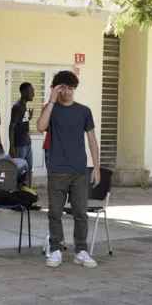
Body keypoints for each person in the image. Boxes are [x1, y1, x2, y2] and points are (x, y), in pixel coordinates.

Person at [36, 70, 101, 269]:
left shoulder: (84, 111)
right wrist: (51, 100)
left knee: (81, 213)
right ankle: (55, 249)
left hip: (79, 171)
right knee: (55, 212)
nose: (66, 91)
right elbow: (40, 126)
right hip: (57, 170)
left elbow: (91, 140)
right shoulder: (51, 109)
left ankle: (81, 250)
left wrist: (96, 168)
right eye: (62, 87)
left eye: (70, 87)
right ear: (56, 88)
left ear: (74, 88)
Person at [10, 82, 35, 188]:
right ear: (23, 92)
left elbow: (21, 122)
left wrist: (28, 118)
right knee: (20, 171)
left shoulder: (23, 106)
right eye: (31, 91)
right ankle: (19, 194)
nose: (33, 94)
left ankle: (29, 193)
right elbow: (11, 127)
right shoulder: (17, 107)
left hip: (27, 143)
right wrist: (12, 147)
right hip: (20, 144)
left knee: (29, 168)